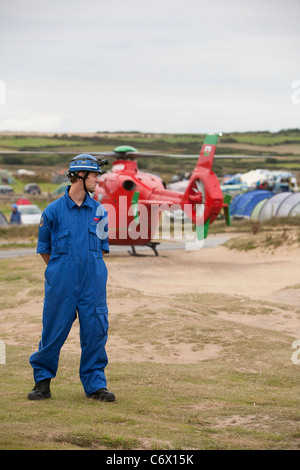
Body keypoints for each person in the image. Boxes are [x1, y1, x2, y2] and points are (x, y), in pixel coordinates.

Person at [28, 154, 115, 402]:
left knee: (96, 331)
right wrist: (60, 270)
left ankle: (96, 386)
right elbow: (44, 248)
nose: (98, 180)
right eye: (95, 175)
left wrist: (88, 271)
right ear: (81, 175)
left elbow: (102, 248)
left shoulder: (99, 210)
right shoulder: (53, 211)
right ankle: (42, 383)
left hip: (93, 281)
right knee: (53, 331)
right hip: (62, 283)